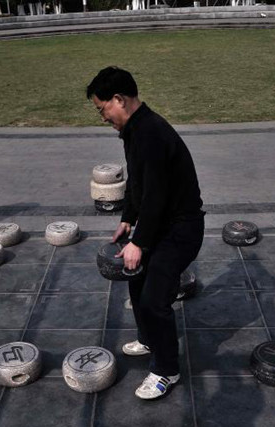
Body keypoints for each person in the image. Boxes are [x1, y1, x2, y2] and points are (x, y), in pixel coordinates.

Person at [87, 66, 205, 400]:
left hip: (181, 229)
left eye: (102, 109)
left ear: (119, 99)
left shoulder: (150, 133)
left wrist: (139, 241)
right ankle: (150, 339)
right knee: (137, 280)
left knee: (155, 299)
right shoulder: (135, 129)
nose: (102, 116)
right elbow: (139, 184)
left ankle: (167, 369)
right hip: (162, 223)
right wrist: (128, 219)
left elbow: (156, 193)